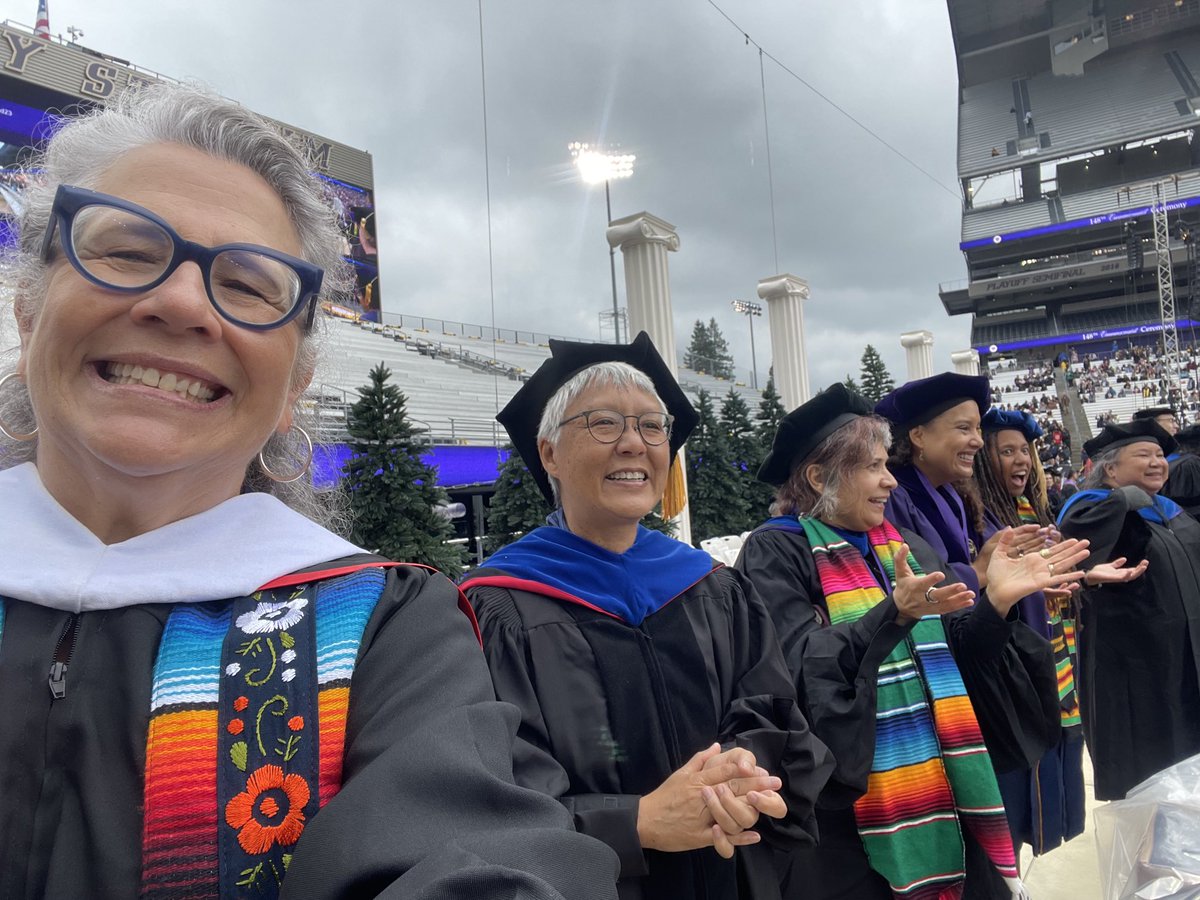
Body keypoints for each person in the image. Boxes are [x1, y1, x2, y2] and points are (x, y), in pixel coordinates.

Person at [0, 84, 620, 900]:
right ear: (28, 309)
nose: (183, 303)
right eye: (126, 251)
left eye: (251, 286)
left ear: (295, 386)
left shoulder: (384, 633)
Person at [459, 333, 835, 899]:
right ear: (549, 453)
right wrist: (635, 823)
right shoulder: (496, 608)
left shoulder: (714, 587)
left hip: (730, 871)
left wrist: (739, 780)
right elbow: (491, 791)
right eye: (605, 423)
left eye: (652, 426)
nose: (635, 444)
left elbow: (774, 710)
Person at [735, 384, 1089, 900]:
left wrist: (995, 605)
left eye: (887, 463)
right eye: (873, 467)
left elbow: (962, 651)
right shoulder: (776, 551)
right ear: (818, 477)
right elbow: (796, 669)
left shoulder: (904, 545)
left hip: (947, 785)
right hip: (850, 813)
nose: (888, 480)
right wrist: (893, 615)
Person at [970, 408, 1146, 855]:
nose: (1022, 460)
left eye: (1024, 451)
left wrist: (1083, 578)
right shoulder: (980, 520)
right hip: (1011, 662)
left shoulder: (1031, 508)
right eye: (1005, 451)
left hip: (1054, 650)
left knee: (1054, 754)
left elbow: (1045, 577)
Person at [1057, 420, 1200, 799]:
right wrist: (1124, 498)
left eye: (1159, 455)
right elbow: (1075, 550)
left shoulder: (1168, 510)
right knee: (1152, 771)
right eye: (1143, 455)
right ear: (1111, 470)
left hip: (1186, 657)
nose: (1157, 462)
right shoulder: (1094, 509)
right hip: (1135, 666)